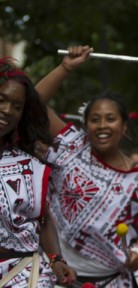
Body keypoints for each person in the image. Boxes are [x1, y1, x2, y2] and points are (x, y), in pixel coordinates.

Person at [35, 46, 138, 287]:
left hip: (113, 280)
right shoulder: (71, 145)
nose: (102, 126)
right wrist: (66, 67)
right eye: (94, 119)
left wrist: (137, 252)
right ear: (85, 125)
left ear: (124, 127)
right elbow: (35, 102)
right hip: (58, 276)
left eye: (110, 119)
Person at [0, 58, 77, 287]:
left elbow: (41, 219)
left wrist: (56, 259)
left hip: (24, 274)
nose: (7, 111)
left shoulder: (28, 164)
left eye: (17, 106)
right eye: (1, 100)